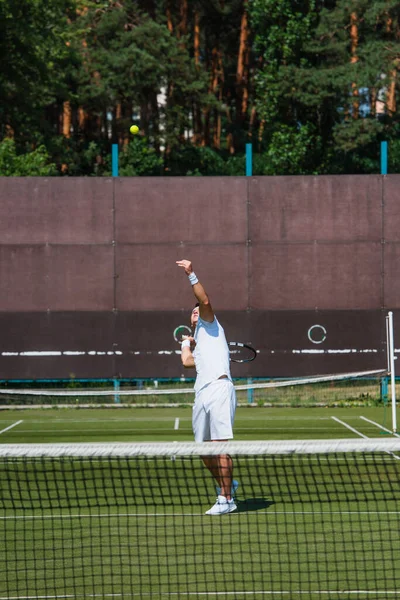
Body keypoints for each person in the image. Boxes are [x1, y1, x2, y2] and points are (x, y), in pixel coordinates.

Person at [176, 259, 238, 515]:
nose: (195, 312)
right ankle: (228, 485)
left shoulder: (209, 323)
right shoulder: (199, 342)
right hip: (201, 394)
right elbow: (188, 362)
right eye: (192, 312)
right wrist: (186, 344)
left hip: (220, 389)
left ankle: (226, 500)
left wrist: (191, 274)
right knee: (202, 449)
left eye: (196, 310)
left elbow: (205, 301)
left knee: (220, 446)